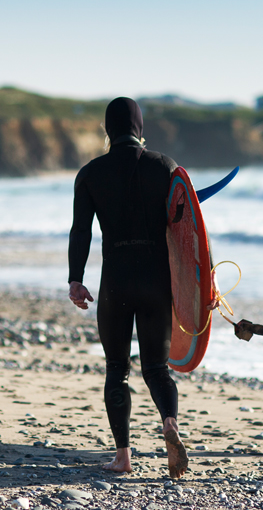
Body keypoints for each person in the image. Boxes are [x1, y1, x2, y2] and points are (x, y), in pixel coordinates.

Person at [67, 97, 188, 478]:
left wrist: (75, 278)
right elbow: (186, 231)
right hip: (157, 280)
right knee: (157, 368)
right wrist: (195, 286)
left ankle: (123, 456)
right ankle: (169, 422)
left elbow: (81, 231)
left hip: (116, 280)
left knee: (117, 369)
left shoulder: (90, 173)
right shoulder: (165, 166)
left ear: (108, 129)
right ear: (140, 127)